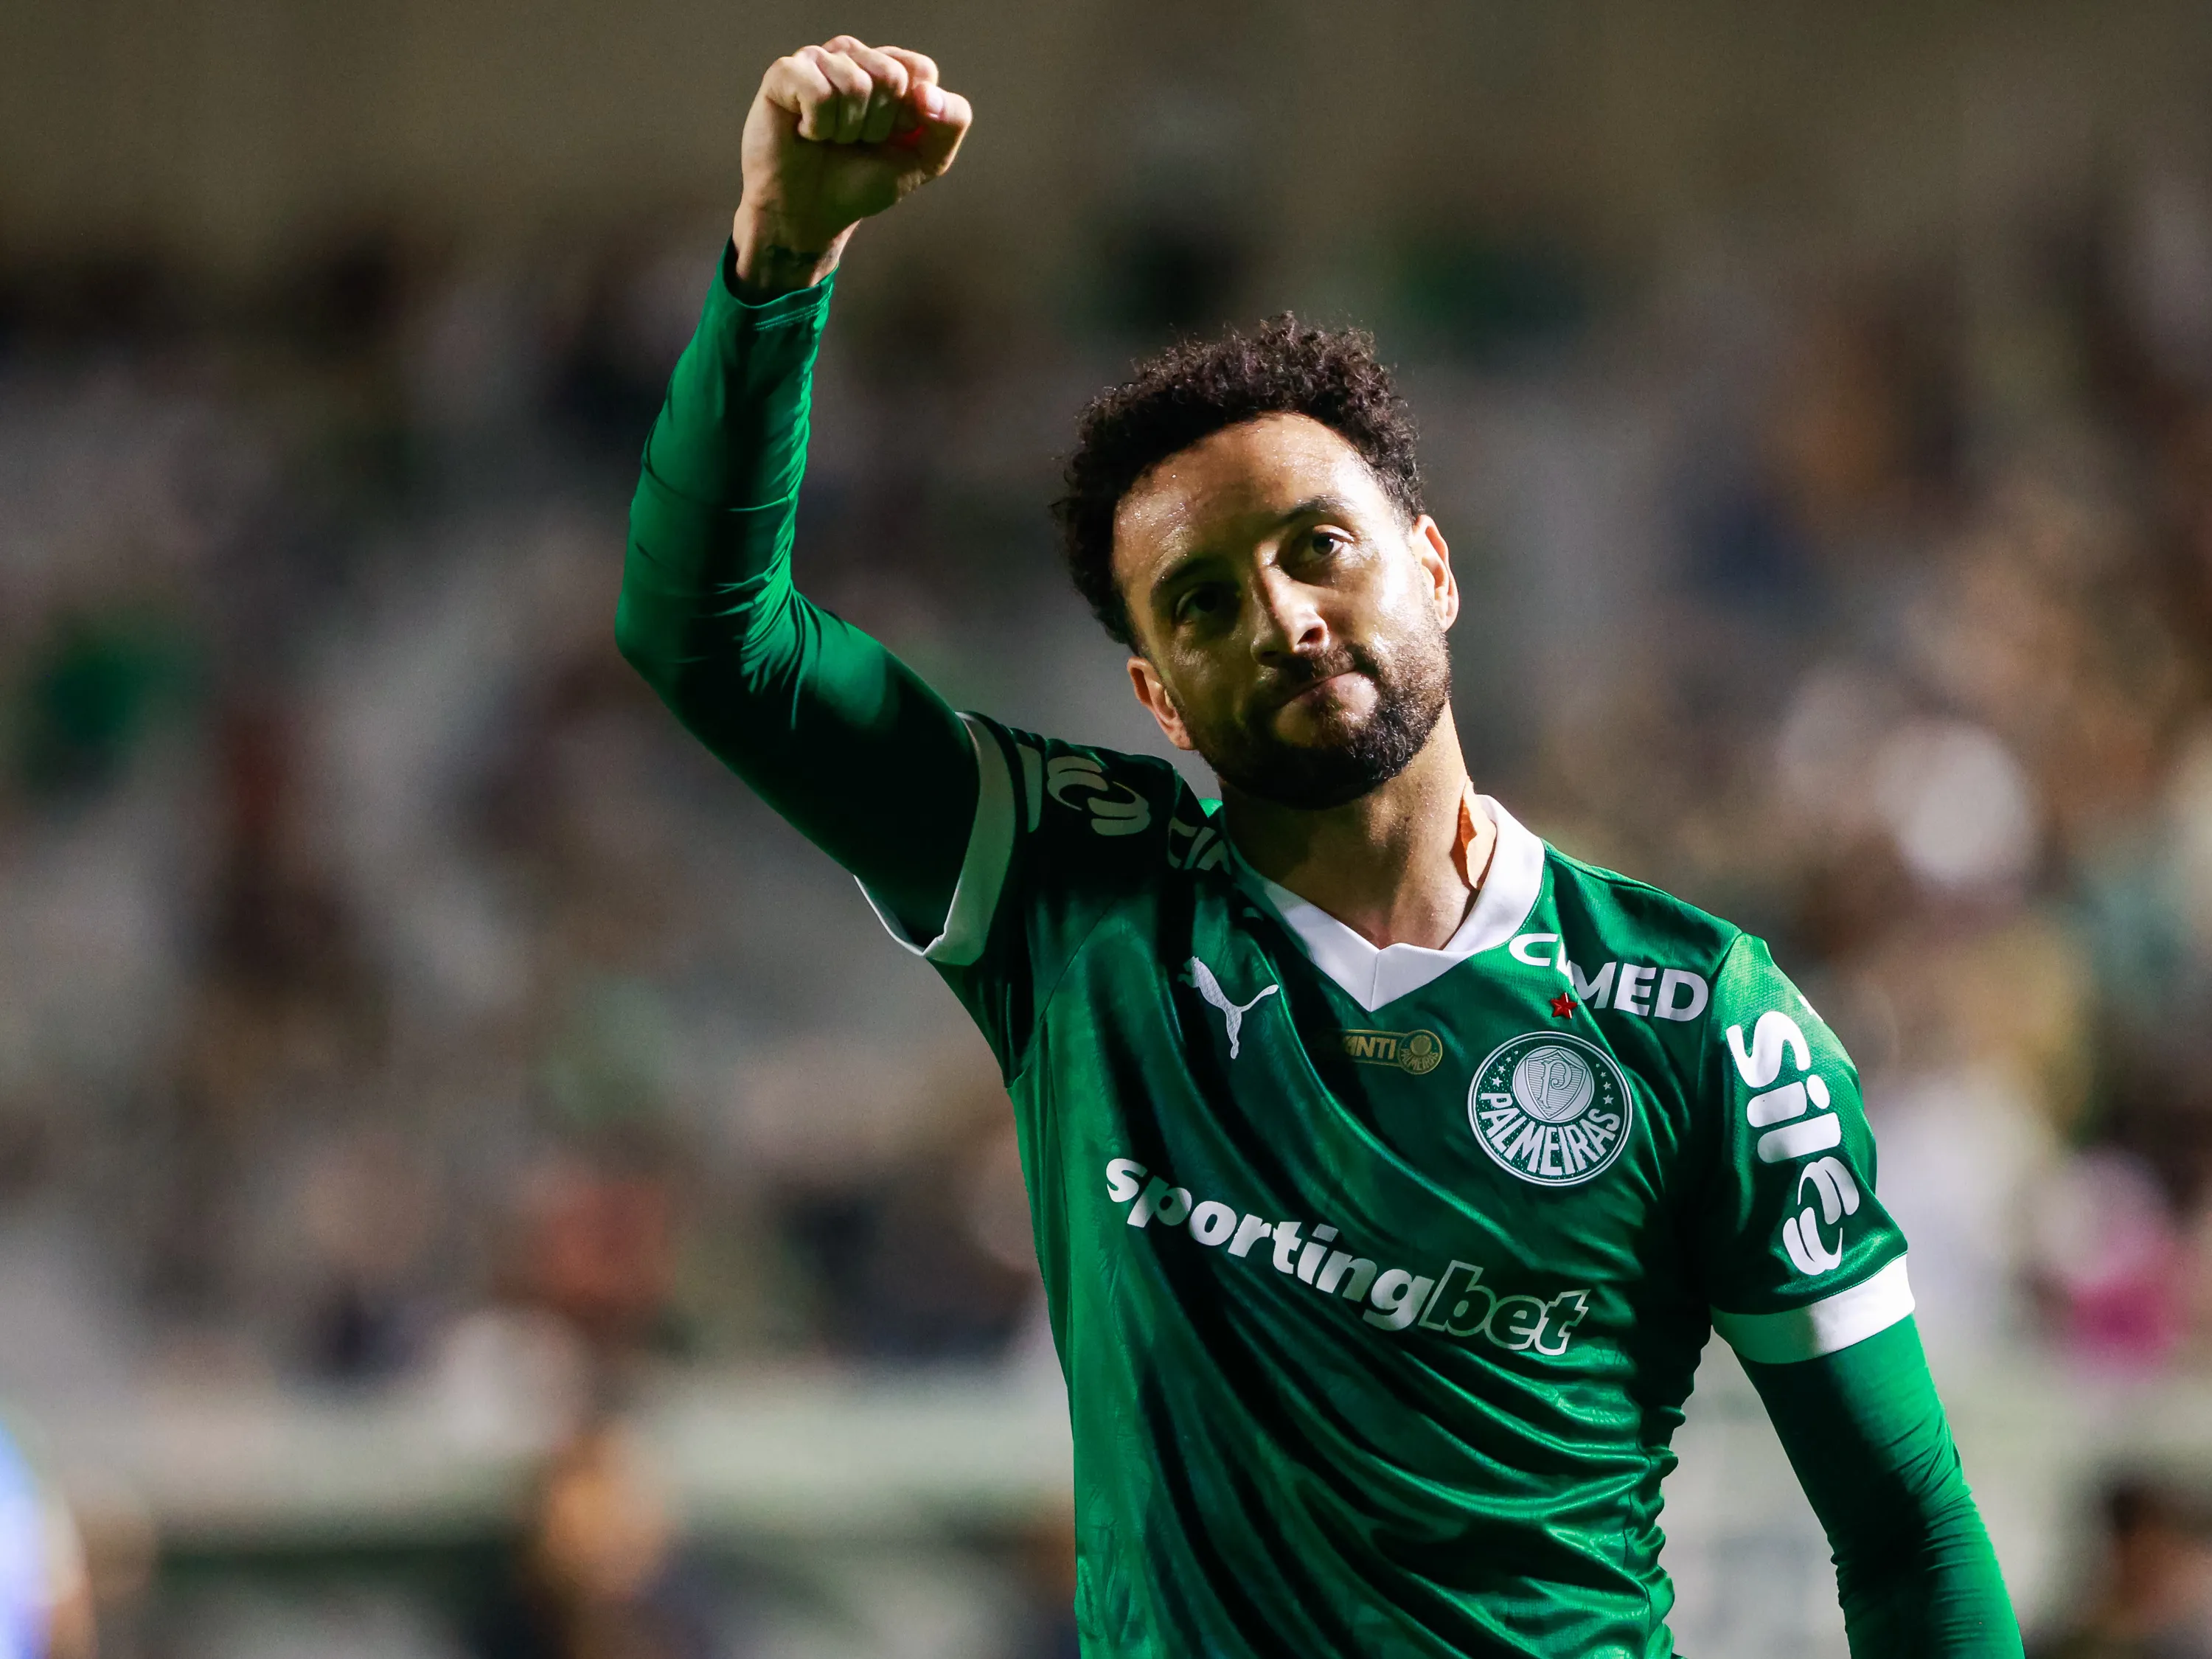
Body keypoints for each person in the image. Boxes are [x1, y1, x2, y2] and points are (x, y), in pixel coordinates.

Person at [616, 34, 2021, 1656]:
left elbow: (1909, 1526)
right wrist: (780, 257)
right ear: (1156, 693)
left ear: (1430, 564)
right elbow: (709, 643)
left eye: (1320, 548)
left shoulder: (1707, 1021)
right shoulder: (1070, 894)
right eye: (1205, 604)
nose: (1281, 614)